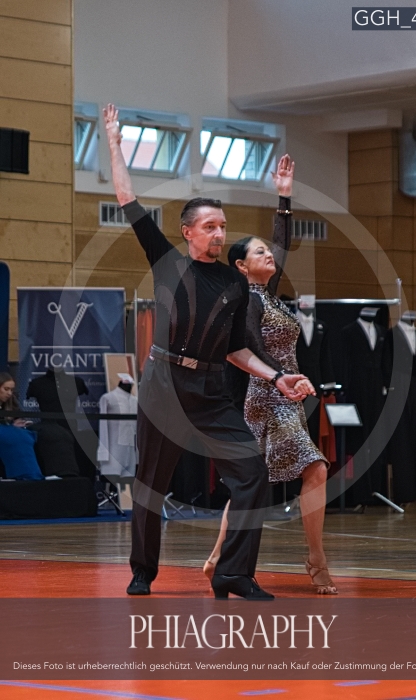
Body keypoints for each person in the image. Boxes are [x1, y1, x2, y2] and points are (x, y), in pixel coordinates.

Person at [103, 104, 313, 599]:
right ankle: (142, 571)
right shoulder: (167, 262)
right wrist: (113, 141)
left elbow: (238, 348)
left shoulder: (233, 282)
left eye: (223, 226)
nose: (220, 233)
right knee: (151, 483)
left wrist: (276, 376)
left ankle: (233, 573)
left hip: (212, 389)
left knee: (252, 473)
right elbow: (127, 197)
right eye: (211, 226)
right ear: (189, 232)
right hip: (164, 384)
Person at [204, 155, 337, 594]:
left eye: (266, 250)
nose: (268, 255)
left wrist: (284, 196)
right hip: (267, 396)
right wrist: (280, 376)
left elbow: (280, 244)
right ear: (241, 266)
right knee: (314, 468)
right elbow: (251, 345)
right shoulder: (245, 298)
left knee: (249, 482)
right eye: (257, 252)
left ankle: (217, 556)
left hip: (287, 396)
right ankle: (316, 560)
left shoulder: (269, 294)